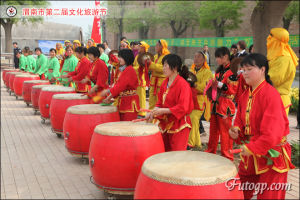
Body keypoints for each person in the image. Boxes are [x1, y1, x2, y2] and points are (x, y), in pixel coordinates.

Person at [229, 53, 295, 200]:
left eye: (249, 69)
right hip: (252, 153)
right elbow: (240, 120)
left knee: (269, 195)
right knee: (239, 191)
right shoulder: (246, 95)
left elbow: (272, 133)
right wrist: (236, 130)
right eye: (243, 70)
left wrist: (252, 147)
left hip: (272, 154)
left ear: (263, 70)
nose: (244, 73)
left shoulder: (271, 95)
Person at [145, 54, 194, 151]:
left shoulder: (183, 85)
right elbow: (159, 102)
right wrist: (153, 113)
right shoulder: (165, 83)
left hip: (179, 124)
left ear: (175, 68)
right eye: (163, 65)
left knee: (176, 155)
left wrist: (164, 110)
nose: (163, 68)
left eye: (165, 65)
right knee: (164, 152)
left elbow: (183, 107)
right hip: (166, 123)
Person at [205, 47, 238, 161]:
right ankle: (210, 151)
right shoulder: (220, 70)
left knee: (225, 133)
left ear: (225, 57)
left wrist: (217, 84)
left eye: (218, 57)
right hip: (216, 103)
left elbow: (232, 89)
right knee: (213, 130)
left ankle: (227, 156)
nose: (217, 59)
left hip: (226, 105)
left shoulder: (232, 71)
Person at [100, 49, 140, 121]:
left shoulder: (129, 70)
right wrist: (108, 98)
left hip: (129, 103)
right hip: (125, 103)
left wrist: (108, 91)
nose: (119, 59)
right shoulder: (125, 70)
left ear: (126, 58)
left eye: (121, 57)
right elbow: (118, 86)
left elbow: (120, 86)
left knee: (127, 127)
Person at [267, 27, 298, 116]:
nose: (268, 39)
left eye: (271, 37)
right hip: (272, 100)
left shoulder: (283, 59)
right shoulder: (276, 57)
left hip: (278, 102)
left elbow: (272, 80)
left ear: (278, 41)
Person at [189, 51, 213, 148]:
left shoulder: (207, 72)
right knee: (192, 120)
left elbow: (204, 87)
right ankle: (197, 144)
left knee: (193, 119)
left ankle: (190, 143)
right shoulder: (191, 71)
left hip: (200, 101)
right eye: (195, 56)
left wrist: (194, 85)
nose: (196, 58)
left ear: (204, 60)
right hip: (190, 100)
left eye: (199, 57)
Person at [148, 39, 171, 110]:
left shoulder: (167, 56)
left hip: (162, 83)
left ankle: (159, 118)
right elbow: (151, 67)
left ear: (162, 46)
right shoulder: (154, 57)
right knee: (151, 101)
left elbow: (163, 69)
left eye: (157, 45)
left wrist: (151, 64)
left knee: (160, 101)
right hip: (153, 82)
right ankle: (151, 118)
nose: (155, 47)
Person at [133, 41, 150, 118]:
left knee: (142, 97)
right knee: (137, 96)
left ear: (143, 48)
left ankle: (142, 113)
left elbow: (142, 67)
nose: (138, 48)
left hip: (141, 78)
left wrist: (132, 69)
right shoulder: (137, 56)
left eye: (140, 47)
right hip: (136, 78)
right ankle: (138, 111)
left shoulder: (145, 57)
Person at [186, 71, 202, 150]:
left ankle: (190, 143)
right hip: (193, 108)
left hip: (196, 108)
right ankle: (197, 143)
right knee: (194, 123)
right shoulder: (191, 89)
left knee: (192, 121)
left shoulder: (191, 90)